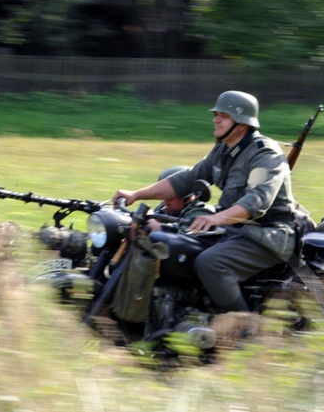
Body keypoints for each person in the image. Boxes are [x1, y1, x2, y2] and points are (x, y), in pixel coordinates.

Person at [113, 91, 298, 312]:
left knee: (210, 264)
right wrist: (136, 194)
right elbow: (186, 180)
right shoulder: (223, 150)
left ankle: (243, 329)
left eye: (224, 116)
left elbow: (256, 201)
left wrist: (216, 219)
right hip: (233, 231)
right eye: (216, 114)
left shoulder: (265, 154)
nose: (216, 119)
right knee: (173, 245)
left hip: (266, 235)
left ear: (242, 125)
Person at [147, 166, 215, 233]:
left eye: (170, 198)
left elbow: (182, 234)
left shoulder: (203, 211)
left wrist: (154, 225)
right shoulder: (163, 207)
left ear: (186, 196)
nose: (165, 203)